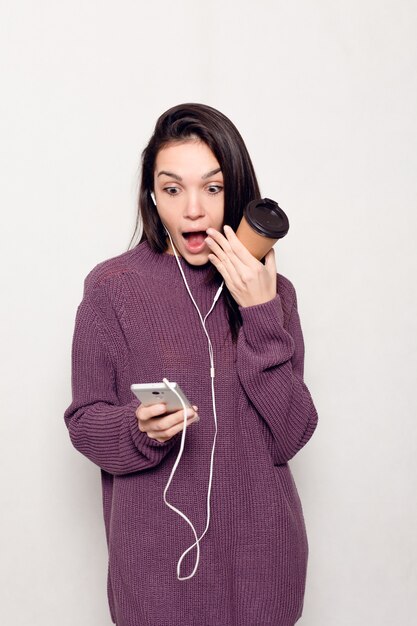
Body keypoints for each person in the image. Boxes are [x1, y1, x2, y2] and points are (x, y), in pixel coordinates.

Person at [64, 102, 319, 626]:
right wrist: (138, 428)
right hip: (157, 578)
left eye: (213, 187)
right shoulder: (112, 289)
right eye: (173, 188)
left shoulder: (274, 295)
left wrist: (260, 314)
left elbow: (290, 434)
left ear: (237, 194)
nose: (194, 211)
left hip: (263, 575)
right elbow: (85, 422)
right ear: (153, 197)